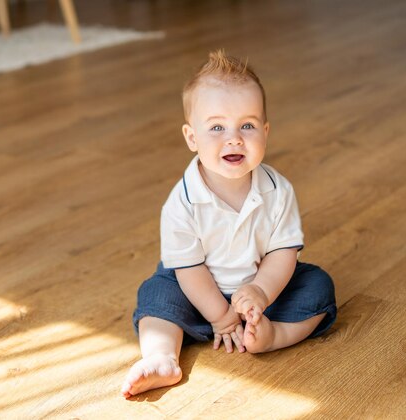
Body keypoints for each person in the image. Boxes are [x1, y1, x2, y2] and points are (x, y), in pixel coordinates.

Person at [121, 50, 337, 398]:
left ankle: (270, 336)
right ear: (192, 138)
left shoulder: (278, 191)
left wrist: (261, 291)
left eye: (247, 126)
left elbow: (283, 252)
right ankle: (161, 357)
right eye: (217, 127)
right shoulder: (182, 202)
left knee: (317, 286)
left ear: (265, 132)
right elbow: (189, 269)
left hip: (261, 289)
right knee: (157, 294)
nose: (234, 138)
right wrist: (220, 316)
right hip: (196, 288)